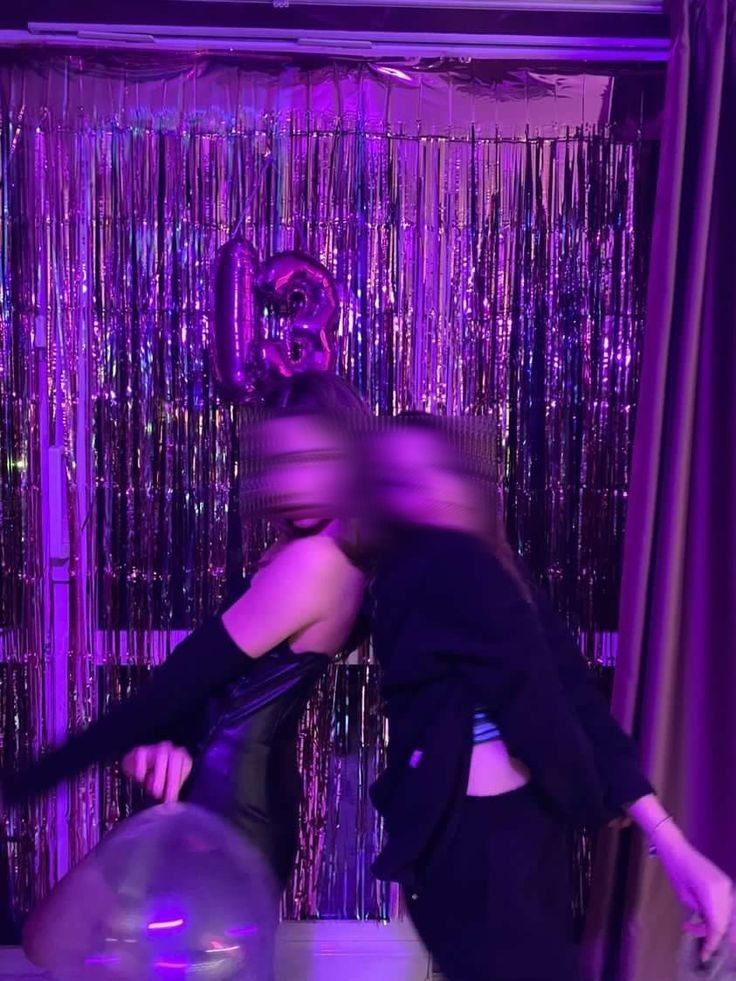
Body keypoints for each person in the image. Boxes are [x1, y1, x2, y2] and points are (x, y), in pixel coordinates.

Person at [1, 371, 369, 975]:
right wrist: (167, 740)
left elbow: (177, 684)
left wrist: (33, 778)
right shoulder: (324, 551)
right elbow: (217, 686)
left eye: (314, 458)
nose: (292, 482)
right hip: (223, 793)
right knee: (63, 940)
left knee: (63, 940)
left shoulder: (314, 563)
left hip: (227, 807)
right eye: (279, 462)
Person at [367, 413, 733, 981]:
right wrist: (597, 803)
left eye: (433, 472)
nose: (424, 493)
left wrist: (672, 845)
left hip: (517, 842)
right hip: (486, 852)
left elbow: (568, 694)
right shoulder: (442, 567)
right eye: (399, 482)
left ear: (466, 480)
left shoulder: (494, 570)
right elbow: (537, 708)